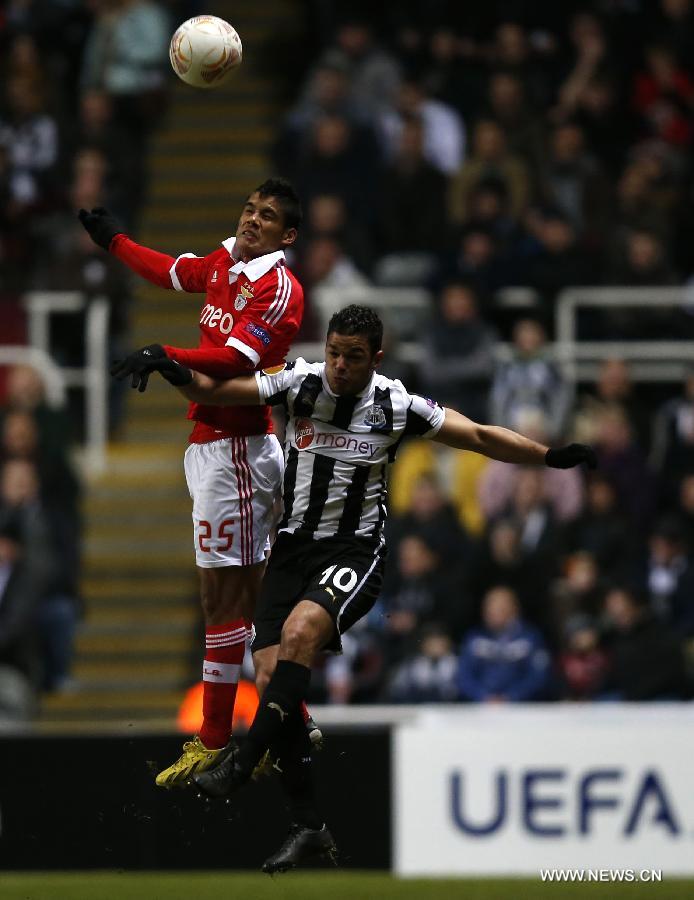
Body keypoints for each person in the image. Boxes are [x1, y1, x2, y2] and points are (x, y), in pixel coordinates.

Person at [133, 304, 595, 872]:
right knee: (275, 677)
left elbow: (475, 434)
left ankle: (240, 759)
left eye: (353, 357)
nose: (339, 366)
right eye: (333, 352)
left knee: (300, 635)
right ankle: (308, 826)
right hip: (293, 551)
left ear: (375, 358)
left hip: (354, 553)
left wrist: (546, 456)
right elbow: (226, 391)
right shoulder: (301, 383)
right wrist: (170, 362)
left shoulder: (396, 405)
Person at [79, 178, 312, 788]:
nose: (252, 220)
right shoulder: (222, 264)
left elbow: (237, 360)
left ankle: (213, 740)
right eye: (248, 209)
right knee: (255, 601)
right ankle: (291, 720)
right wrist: (115, 242)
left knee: (220, 601)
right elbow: (168, 270)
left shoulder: (280, 289)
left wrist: (167, 355)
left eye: (267, 216)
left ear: (287, 235)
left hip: (237, 449)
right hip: (215, 446)